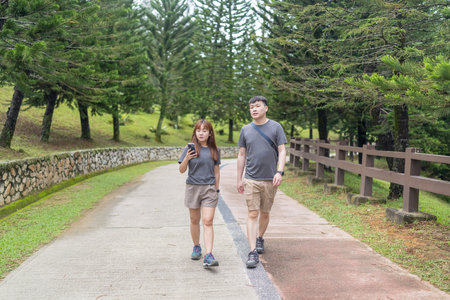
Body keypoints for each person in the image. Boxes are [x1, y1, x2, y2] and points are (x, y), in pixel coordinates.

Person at [237, 96, 287, 268]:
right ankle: (252, 252)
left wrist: (279, 171)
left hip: (270, 179)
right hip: (251, 178)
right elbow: (242, 154)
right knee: (252, 213)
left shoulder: (276, 127)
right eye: (251, 107)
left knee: (265, 212)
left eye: (257, 106)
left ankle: (260, 237)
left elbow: (282, 150)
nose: (254, 109)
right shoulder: (245, 130)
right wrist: (239, 178)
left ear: (266, 108)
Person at [179, 119, 221, 268]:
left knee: (208, 220)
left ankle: (209, 255)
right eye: (198, 130)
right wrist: (187, 158)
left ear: (210, 133)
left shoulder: (214, 150)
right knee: (194, 220)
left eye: (204, 130)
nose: (201, 133)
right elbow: (182, 170)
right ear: (195, 132)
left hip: (209, 188)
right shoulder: (189, 148)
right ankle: (196, 246)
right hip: (193, 187)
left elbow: (216, 172)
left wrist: (217, 190)